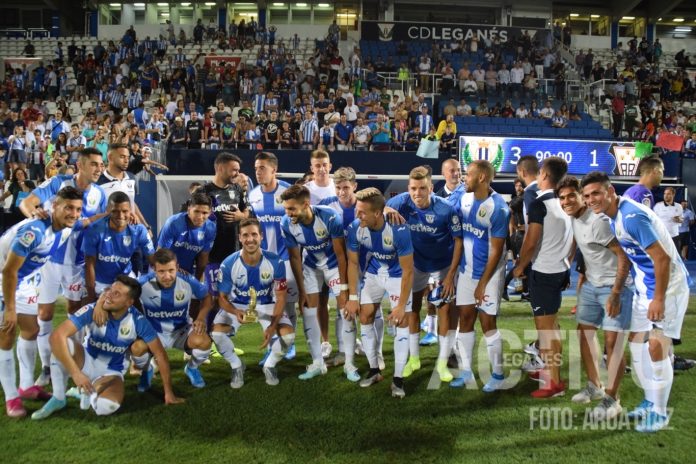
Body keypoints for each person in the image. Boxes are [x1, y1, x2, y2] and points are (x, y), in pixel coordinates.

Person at [582, 171, 690, 432]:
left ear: (610, 191)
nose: (591, 199)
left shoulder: (630, 217)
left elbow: (662, 259)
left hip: (667, 288)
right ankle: (650, 401)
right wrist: (617, 292)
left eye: (596, 193)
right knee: (638, 344)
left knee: (656, 346)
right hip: (645, 288)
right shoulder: (613, 217)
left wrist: (659, 299)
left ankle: (660, 414)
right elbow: (630, 257)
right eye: (586, 196)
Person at [31, 275, 184, 419]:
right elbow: (56, 336)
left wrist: (168, 393)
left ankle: (86, 392)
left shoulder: (138, 320)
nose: (109, 295)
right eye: (110, 290)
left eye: (117, 294)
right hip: (85, 360)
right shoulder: (93, 309)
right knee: (62, 343)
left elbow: (160, 354)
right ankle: (59, 397)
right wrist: (76, 374)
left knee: (107, 407)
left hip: (111, 372)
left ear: (129, 302)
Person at [19, 148, 108, 387]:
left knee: (74, 312)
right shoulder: (58, 183)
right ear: (80, 165)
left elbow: (100, 223)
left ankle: (73, 363)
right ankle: (47, 368)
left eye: (101, 165)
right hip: (48, 261)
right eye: (94, 164)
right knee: (44, 314)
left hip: (77, 264)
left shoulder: (100, 194)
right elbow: (27, 203)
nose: (99, 169)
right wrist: (34, 216)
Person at [0, 186, 82, 418]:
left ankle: (26, 387)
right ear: (54, 206)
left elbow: (83, 222)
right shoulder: (35, 231)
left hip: (24, 280)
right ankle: (11, 398)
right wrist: (10, 309)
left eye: (77, 209)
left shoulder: (66, 227)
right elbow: (8, 272)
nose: (74, 214)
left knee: (31, 329)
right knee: (6, 333)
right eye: (68, 208)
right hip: (4, 278)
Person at [557, 176, 632, 421]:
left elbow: (623, 257)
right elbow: (586, 253)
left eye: (571, 196)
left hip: (614, 286)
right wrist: (581, 283)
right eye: (562, 197)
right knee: (584, 333)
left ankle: (613, 399)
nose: (566, 201)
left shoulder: (598, 222)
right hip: (592, 284)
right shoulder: (574, 219)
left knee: (613, 344)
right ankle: (595, 386)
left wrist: (616, 293)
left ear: (582, 197)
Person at [384, 166, 462, 382]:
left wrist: (450, 275)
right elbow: (377, 209)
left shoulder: (446, 209)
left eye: (422, 188)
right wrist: (385, 210)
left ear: (431, 188)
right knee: (413, 309)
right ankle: (414, 359)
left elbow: (458, 241)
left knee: (445, 310)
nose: (417, 193)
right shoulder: (400, 202)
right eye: (413, 188)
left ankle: (442, 363)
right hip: (416, 264)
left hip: (443, 265)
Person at [345, 188, 414, 398]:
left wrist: (401, 305)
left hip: (398, 275)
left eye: (362, 212)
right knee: (364, 315)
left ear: (378, 214)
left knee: (403, 322)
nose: (358, 215)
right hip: (374, 273)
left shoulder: (399, 230)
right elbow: (353, 262)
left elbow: (408, 270)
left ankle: (398, 380)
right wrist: (353, 297)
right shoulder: (356, 228)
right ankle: (375, 370)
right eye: (357, 210)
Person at [513, 157, 573, 398]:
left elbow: (531, 241)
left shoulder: (540, 204)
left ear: (544, 175)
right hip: (559, 269)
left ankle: (554, 383)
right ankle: (551, 371)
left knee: (546, 331)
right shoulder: (564, 203)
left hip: (544, 272)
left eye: (540, 174)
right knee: (553, 326)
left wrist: (519, 267)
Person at [212, 218, 295, 387]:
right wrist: (236, 312)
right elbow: (222, 298)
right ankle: (236, 365)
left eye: (254, 234)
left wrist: (272, 326)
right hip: (239, 304)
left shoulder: (275, 261)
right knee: (217, 334)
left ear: (261, 236)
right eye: (245, 235)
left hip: (266, 302)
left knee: (288, 336)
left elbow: (280, 297)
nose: (250, 239)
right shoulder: (228, 264)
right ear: (239, 238)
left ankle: (270, 365)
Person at [450, 160, 510, 391]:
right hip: (466, 271)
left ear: (482, 178)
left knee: (488, 323)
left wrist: (482, 284)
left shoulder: (498, 208)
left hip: (489, 274)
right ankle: (466, 372)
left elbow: (496, 251)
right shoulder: (464, 198)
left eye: (469, 174)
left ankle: (498, 374)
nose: (464, 178)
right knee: (465, 319)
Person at [280, 185, 349, 380]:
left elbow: (341, 254)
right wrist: (302, 291)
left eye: (292, 208)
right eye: (286, 208)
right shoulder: (286, 223)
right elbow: (294, 257)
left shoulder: (329, 217)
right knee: (309, 310)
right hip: (310, 266)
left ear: (306, 204)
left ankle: (345, 354)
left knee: (344, 307)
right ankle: (317, 362)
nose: (288, 213)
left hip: (334, 264)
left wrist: (343, 287)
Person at [130, 249, 213, 390]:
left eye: (171, 270)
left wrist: (200, 318)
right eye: (161, 271)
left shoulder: (187, 281)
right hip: (153, 334)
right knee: (136, 348)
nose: (167, 276)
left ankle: (192, 368)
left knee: (204, 342)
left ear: (177, 267)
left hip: (181, 331)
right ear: (154, 269)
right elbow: (122, 296)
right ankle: (147, 370)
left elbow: (206, 297)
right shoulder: (142, 283)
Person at [248, 152, 298, 360]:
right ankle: (271, 345)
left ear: (274, 170)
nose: (258, 172)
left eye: (262, 168)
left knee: (287, 303)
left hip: (286, 259)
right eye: (256, 168)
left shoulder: (288, 192)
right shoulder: (252, 195)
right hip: (263, 260)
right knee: (265, 304)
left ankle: (290, 344)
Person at [196, 153, 248, 304]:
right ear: (220, 168)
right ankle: (209, 327)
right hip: (212, 255)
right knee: (213, 299)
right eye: (234, 170)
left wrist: (241, 216)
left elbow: (247, 212)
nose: (237, 174)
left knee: (231, 298)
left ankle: (226, 327)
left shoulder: (237, 189)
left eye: (238, 170)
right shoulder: (203, 191)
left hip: (235, 253)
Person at [83, 192, 155, 303]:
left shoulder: (138, 230)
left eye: (125, 211)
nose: (120, 216)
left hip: (126, 278)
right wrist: (91, 297)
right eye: (115, 211)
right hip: (100, 282)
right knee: (97, 315)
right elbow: (89, 265)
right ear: (108, 210)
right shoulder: (94, 230)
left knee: (141, 306)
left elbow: (153, 260)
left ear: (130, 211)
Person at [157, 192, 216, 281]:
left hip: (187, 273)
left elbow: (203, 258)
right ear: (189, 210)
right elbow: (161, 254)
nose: (200, 217)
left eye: (204, 213)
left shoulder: (210, 228)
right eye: (196, 211)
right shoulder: (173, 223)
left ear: (210, 213)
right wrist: (174, 270)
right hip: (164, 268)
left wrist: (196, 282)